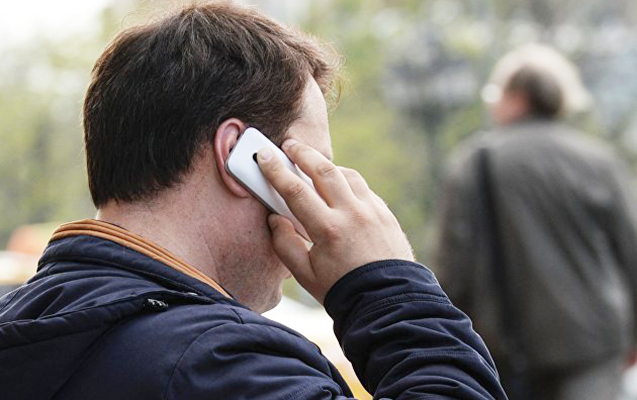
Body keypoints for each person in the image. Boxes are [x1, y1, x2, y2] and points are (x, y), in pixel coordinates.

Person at [0, 2, 506, 399]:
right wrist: (390, 287)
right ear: (240, 157)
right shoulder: (223, 365)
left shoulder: (22, 323)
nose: (312, 212)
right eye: (310, 168)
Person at [434, 44, 637, 400]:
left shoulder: (476, 163)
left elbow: (454, 265)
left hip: (509, 347)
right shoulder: (597, 161)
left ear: (517, 97)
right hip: (594, 343)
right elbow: (631, 252)